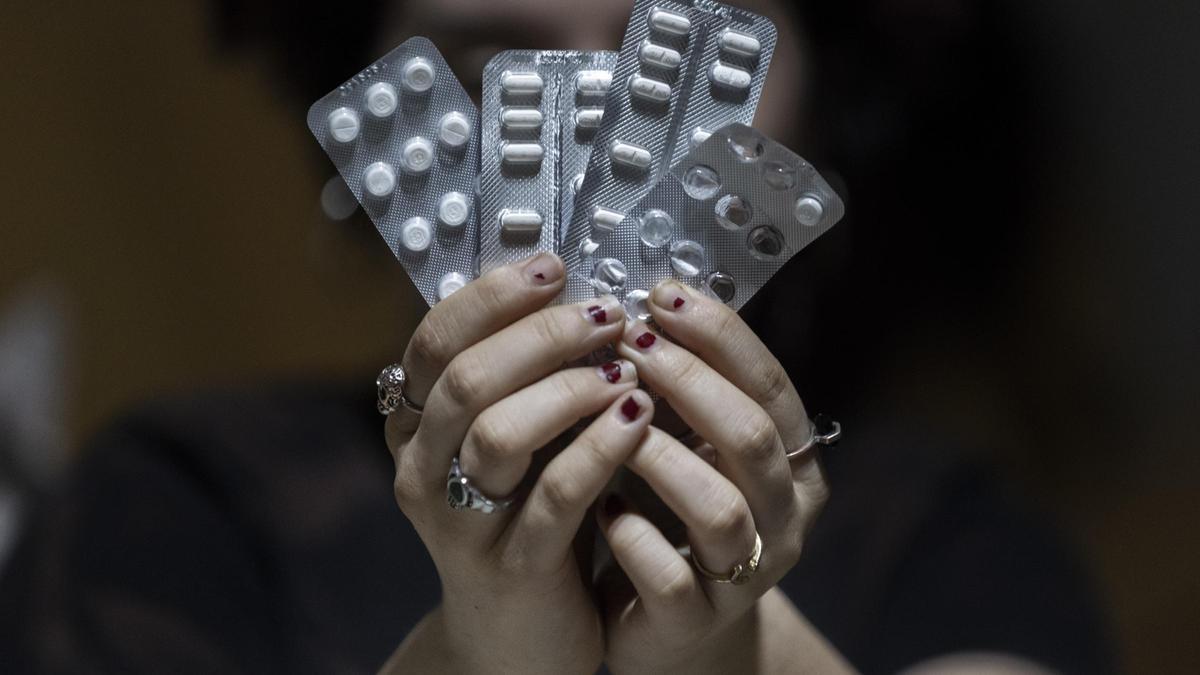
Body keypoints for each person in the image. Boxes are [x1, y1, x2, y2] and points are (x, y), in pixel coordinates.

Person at [0, 0, 1114, 673]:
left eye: (670, 64)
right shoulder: (180, 501)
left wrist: (736, 655)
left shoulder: (952, 535)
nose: (597, 143)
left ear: (826, 97)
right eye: (489, 62)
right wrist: (476, 654)